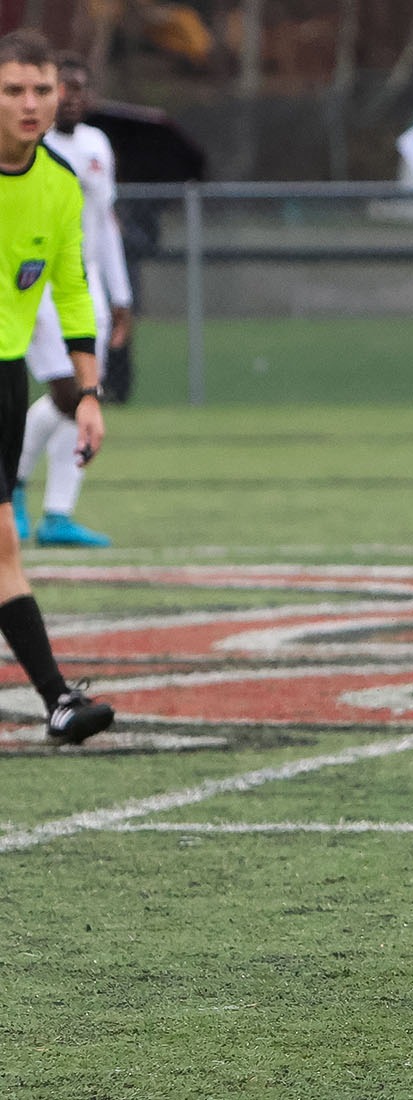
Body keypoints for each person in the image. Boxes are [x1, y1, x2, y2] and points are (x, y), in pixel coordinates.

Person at [0, 29, 115, 745]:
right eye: (13, 90)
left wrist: (89, 393)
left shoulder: (59, 183)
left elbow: (72, 290)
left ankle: (58, 704)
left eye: (42, 90)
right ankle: (55, 699)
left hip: (4, 379)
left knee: (3, 553)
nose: (30, 103)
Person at [17, 52, 129, 548]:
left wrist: (122, 295)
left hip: (90, 287)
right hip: (39, 286)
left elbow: (105, 224)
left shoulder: (96, 145)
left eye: (77, 88)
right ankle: (14, 483)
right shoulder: (28, 145)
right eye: (58, 88)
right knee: (68, 395)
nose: (69, 97)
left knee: (86, 397)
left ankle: (57, 514)